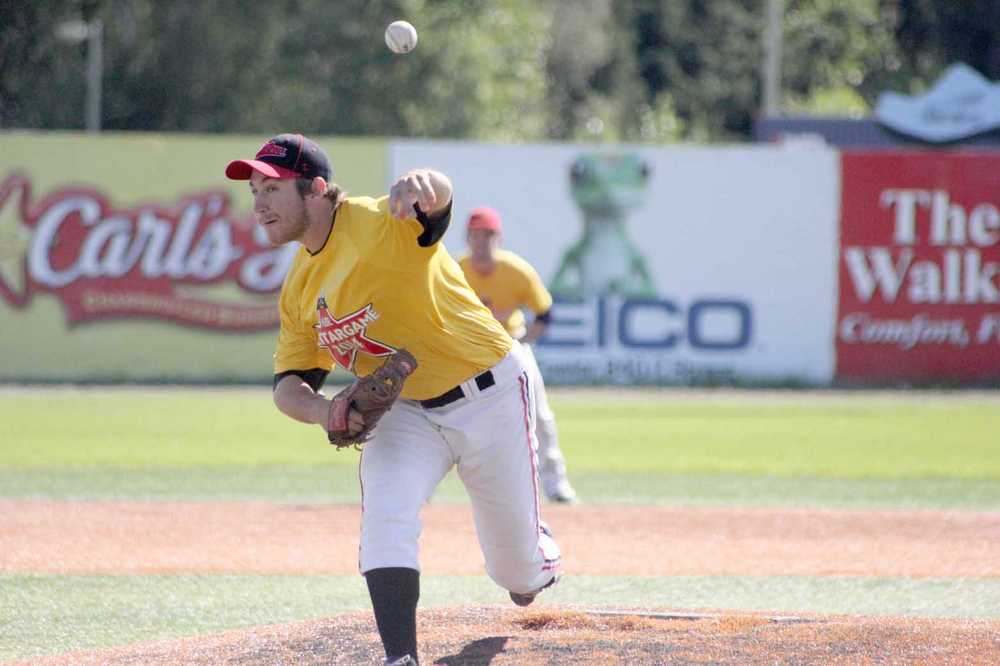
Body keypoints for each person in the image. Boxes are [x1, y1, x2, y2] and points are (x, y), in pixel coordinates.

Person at [225, 134, 561, 666]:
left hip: (487, 392)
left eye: (272, 187)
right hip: (406, 412)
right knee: (386, 514)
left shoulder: (379, 223)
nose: (259, 203)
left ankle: (532, 552)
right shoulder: (298, 286)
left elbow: (437, 202)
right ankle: (400, 658)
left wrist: (427, 183)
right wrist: (327, 411)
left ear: (315, 189)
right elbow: (289, 384)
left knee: (517, 574)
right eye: (254, 190)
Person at [458, 207, 578, 503]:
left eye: (488, 235)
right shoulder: (455, 269)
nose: (481, 241)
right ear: (468, 237)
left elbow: (544, 313)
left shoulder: (516, 270)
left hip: (511, 345)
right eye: (476, 235)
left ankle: (555, 483)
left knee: (539, 414)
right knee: (443, 413)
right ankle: (426, 487)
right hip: (468, 349)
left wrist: (524, 340)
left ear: (498, 238)